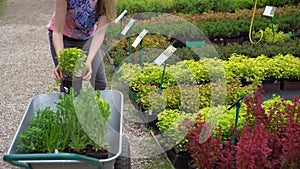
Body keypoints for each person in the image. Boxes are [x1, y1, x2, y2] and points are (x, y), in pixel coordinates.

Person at [47, 0, 117, 90]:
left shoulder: (108, 1)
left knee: (100, 83)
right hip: (65, 37)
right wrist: (62, 60)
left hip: (87, 37)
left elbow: (99, 34)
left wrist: (89, 61)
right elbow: (57, 32)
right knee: (71, 85)